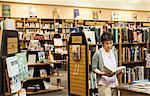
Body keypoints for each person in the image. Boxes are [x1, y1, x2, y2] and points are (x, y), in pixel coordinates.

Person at [92, 32, 119, 96]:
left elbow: (115, 66)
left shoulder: (114, 53)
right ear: (102, 43)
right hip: (103, 83)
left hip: (114, 82)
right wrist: (103, 73)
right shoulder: (98, 53)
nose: (109, 45)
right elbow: (94, 68)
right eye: (106, 43)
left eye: (111, 43)